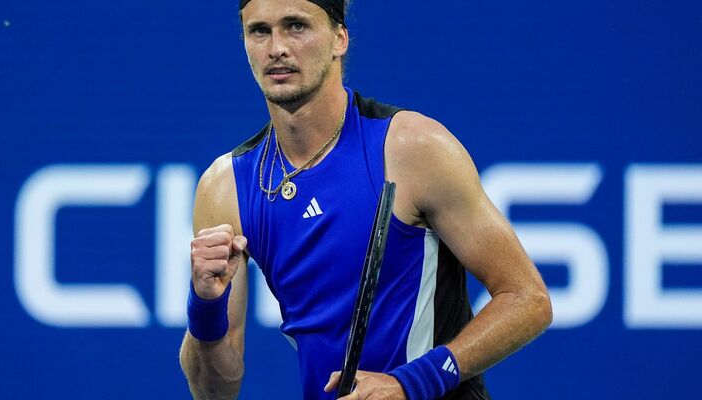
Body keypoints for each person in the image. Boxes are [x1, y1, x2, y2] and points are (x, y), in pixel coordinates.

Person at [179, 0, 553, 398]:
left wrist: (410, 383)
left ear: (339, 38)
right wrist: (205, 307)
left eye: (296, 26)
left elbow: (528, 299)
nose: (277, 48)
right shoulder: (226, 186)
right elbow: (215, 392)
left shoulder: (410, 147)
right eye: (259, 31)